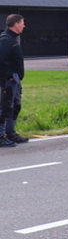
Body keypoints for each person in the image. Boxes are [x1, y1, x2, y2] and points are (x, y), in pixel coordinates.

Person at [0, 14, 28, 147]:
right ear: (15, 24)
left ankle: (10, 134)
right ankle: (1, 136)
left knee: (15, 106)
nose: (24, 25)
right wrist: (9, 76)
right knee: (5, 107)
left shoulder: (12, 40)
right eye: (22, 23)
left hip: (15, 80)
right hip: (9, 80)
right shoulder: (5, 40)